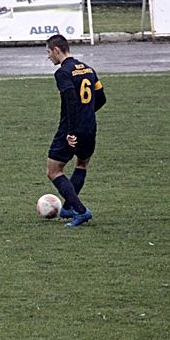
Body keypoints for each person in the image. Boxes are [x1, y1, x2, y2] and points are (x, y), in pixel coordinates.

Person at [45, 34, 106, 227]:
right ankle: (67, 208)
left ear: (56, 50)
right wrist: (86, 114)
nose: (48, 57)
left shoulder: (63, 73)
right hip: (90, 126)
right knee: (81, 165)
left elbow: (71, 100)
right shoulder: (88, 69)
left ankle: (81, 211)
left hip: (70, 128)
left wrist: (71, 131)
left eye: (48, 52)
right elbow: (101, 98)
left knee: (53, 171)